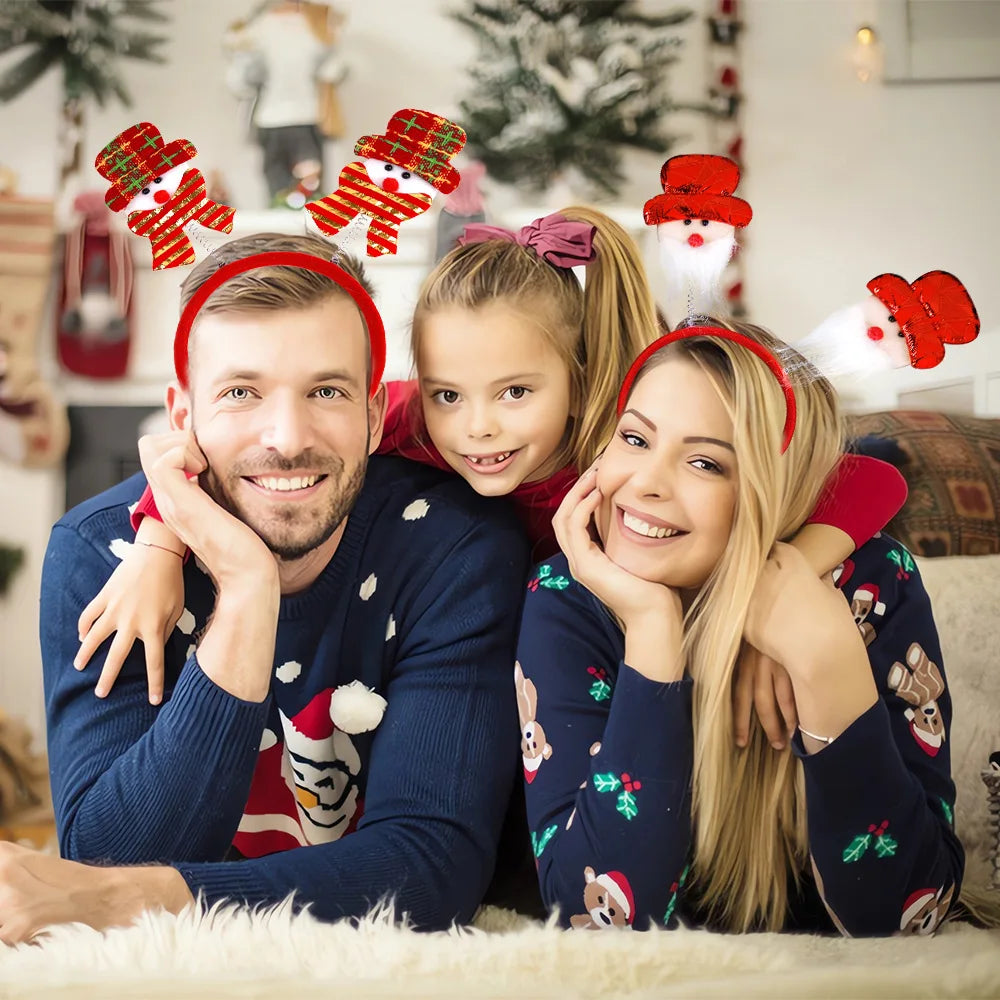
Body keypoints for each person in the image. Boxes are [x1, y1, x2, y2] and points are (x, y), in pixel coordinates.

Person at [76, 210, 906, 752]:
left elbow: (875, 471)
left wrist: (785, 578)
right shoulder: (397, 421)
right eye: (448, 394)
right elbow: (191, 448)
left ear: (578, 377)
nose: (477, 428)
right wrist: (156, 543)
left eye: (515, 393)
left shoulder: (623, 445)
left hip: (637, 667)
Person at [10, 232, 530, 946]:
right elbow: (104, 853)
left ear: (376, 415)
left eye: (326, 391)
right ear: (183, 416)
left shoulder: (453, 546)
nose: (286, 437)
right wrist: (249, 589)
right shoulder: (101, 553)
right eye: (240, 393)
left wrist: (148, 897)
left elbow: (433, 867)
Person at [515, 320, 963, 936]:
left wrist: (824, 658)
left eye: (705, 462)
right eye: (635, 439)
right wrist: (652, 632)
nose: (645, 482)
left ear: (771, 491)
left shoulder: (873, 584)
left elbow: (907, 918)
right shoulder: (570, 597)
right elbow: (593, 920)